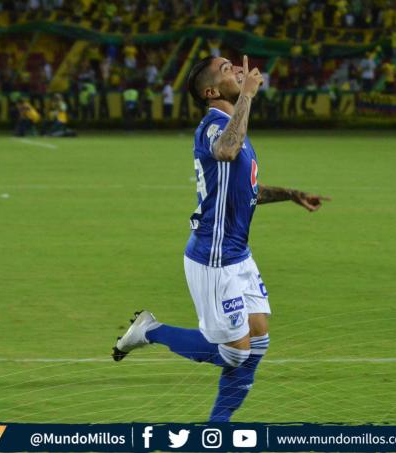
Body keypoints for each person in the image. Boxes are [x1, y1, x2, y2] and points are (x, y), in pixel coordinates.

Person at [112, 55, 331, 422]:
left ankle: (217, 429)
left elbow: (245, 190)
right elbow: (226, 150)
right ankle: (150, 330)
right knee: (234, 353)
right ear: (211, 92)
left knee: (257, 341)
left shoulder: (234, 127)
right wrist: (247, 96)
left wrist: (291, 194)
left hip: (238, 254)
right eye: (227, 69)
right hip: (213, 257)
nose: (239, 70)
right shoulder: (214, 127)